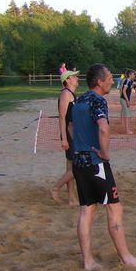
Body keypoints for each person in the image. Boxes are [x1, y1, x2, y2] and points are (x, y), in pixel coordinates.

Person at [70, 64, 136, 271]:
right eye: (109, 78)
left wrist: (80, 144)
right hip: (96, 163)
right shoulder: (98, 101)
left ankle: (88, 261)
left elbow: (70, 127)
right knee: (114, 208)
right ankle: (126, 258)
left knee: (86, 210)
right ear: (99, 82)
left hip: (79, 163)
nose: (112, 81)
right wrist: (104, 153)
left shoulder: (79, 100)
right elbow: (104, 128)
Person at [50, 69, 80, 206]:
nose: (77, 78)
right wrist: (64, 138)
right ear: (67, 80)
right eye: (74, 76)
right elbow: (62, 117)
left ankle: (72, 198)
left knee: (70, 168)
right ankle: (55, 188)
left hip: (73, 133)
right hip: (69, 134)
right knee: (77, 167)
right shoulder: (65, 94)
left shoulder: (71, 94)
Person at [119, 70, 134, 134]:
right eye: (133, 74)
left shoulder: (130, 81)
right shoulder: (127, 81)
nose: (134, 75)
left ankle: (128, 129)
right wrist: (127, 100)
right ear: (130, 75)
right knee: (127, 115)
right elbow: (123, 91)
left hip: (125, 99)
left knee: (128, 115)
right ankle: (127, 130)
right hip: (124, 99)